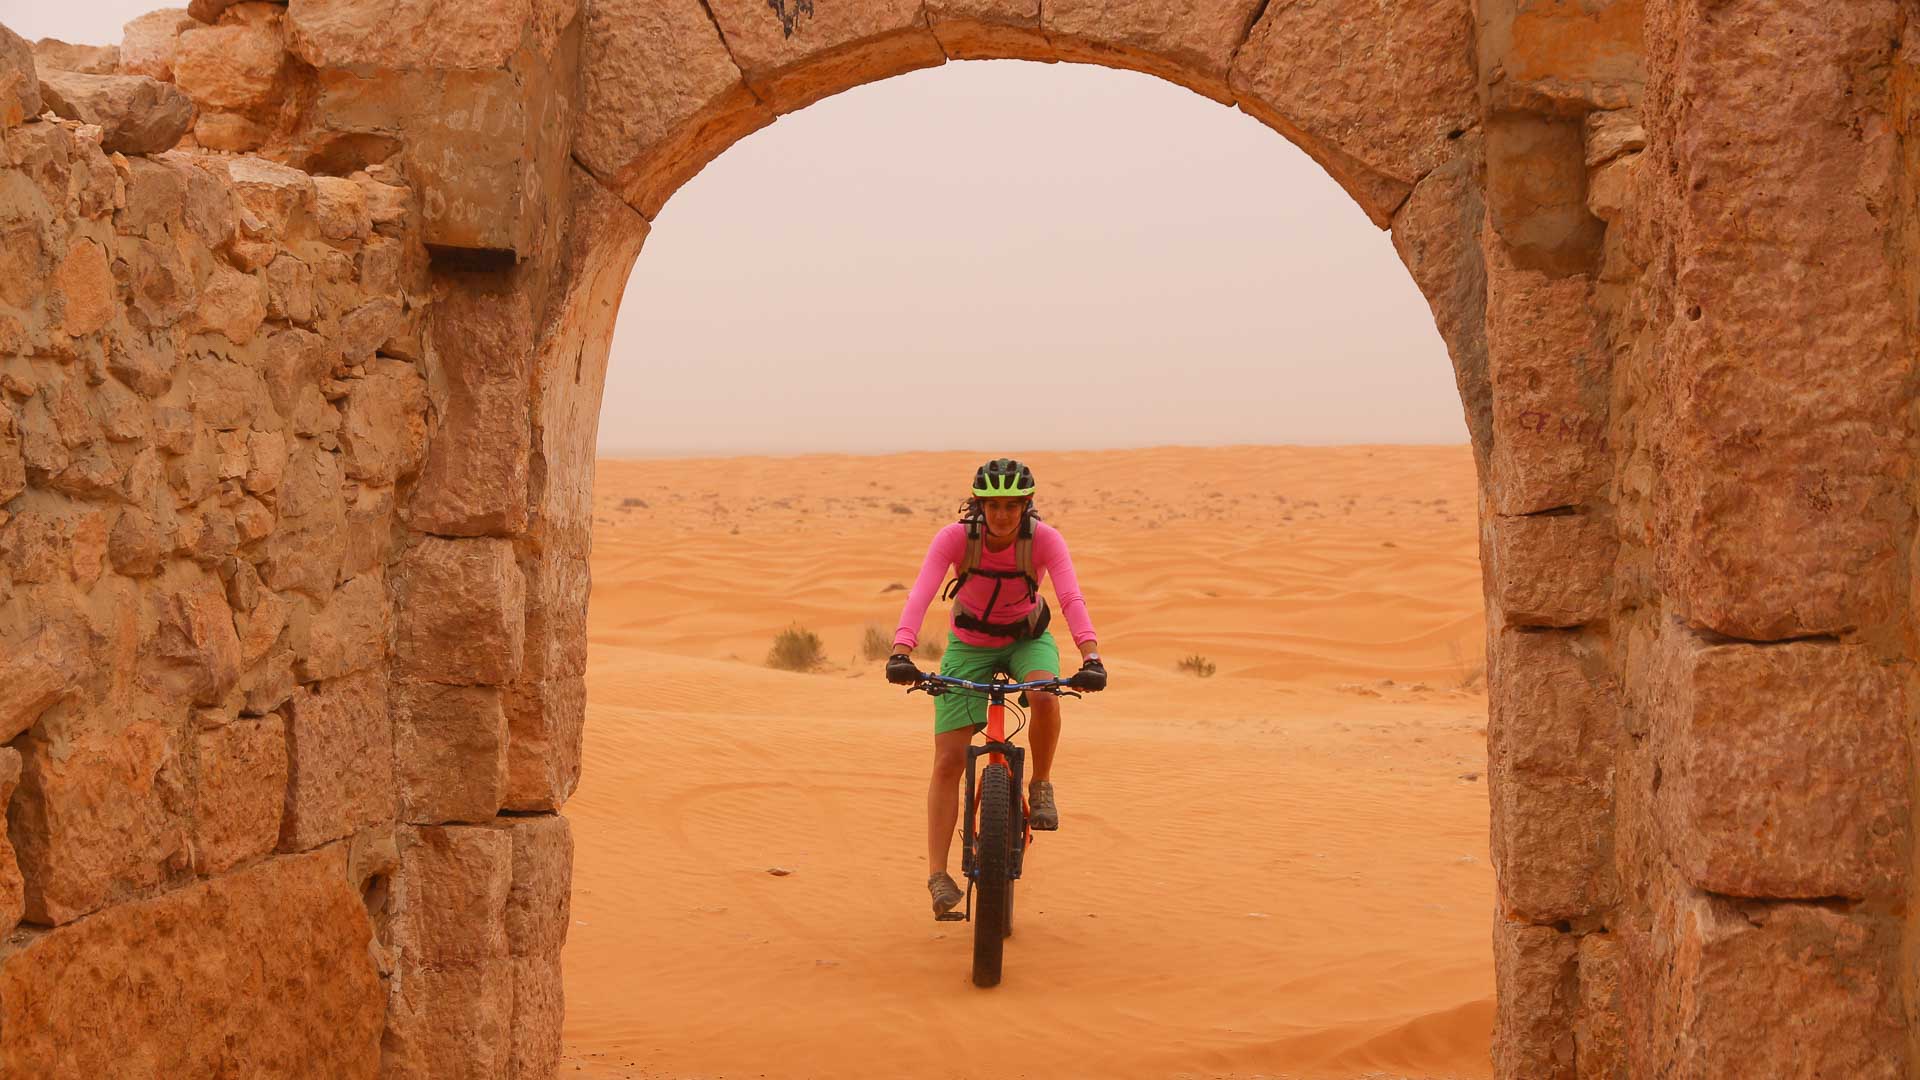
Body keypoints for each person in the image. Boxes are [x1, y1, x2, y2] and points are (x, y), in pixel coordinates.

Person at [886, 458, 1107, 916]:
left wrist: (1090, 655)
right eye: (993, 506)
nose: (1002, 515)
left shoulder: (1044, 541)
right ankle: (937, 875)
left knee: (1045, 694)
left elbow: (1070, 596)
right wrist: (902, 650)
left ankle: (1041, 784)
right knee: (948, 761)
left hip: (1028, 640)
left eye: (1011, 505)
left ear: (1027, 505)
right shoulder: (955, 539)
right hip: (969, 646)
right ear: (978, 506)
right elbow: (921, 593)